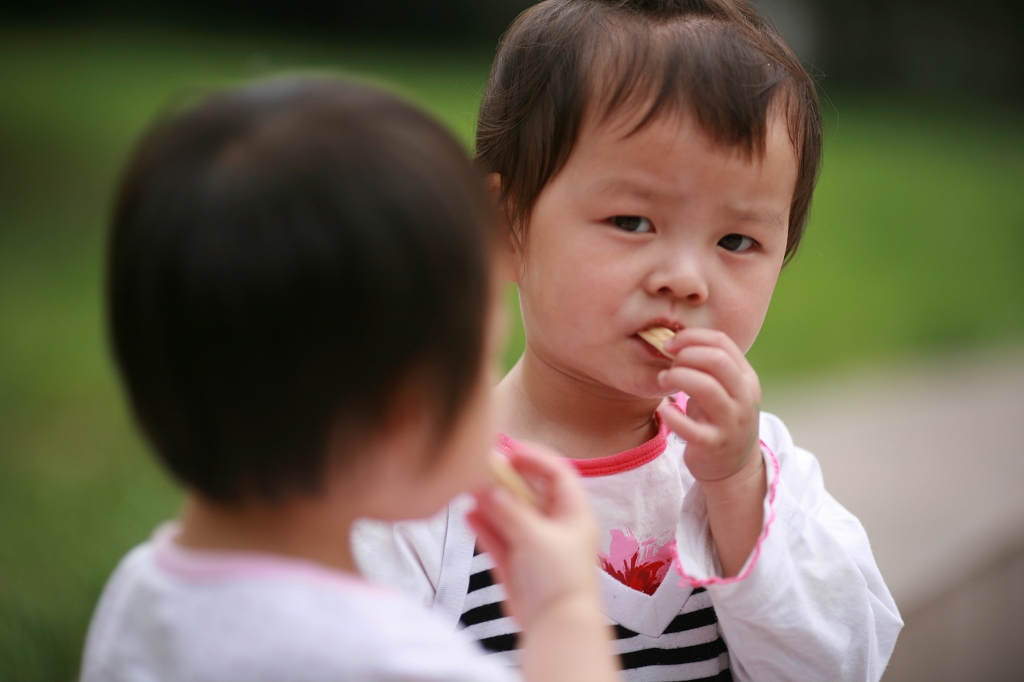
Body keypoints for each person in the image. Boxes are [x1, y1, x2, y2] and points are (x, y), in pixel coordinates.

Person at [353, 1, 904, 680]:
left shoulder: (765, 474)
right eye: (632, 221)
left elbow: (843, 665)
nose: (684, 279)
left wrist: (735, 492)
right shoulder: (427, 495)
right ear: (505, 230)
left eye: (737, 241)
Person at [79, 76, 620, 682]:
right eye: (481, 363)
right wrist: (562, 611)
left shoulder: (142, 592)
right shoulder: (400, 663)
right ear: (402, 419)